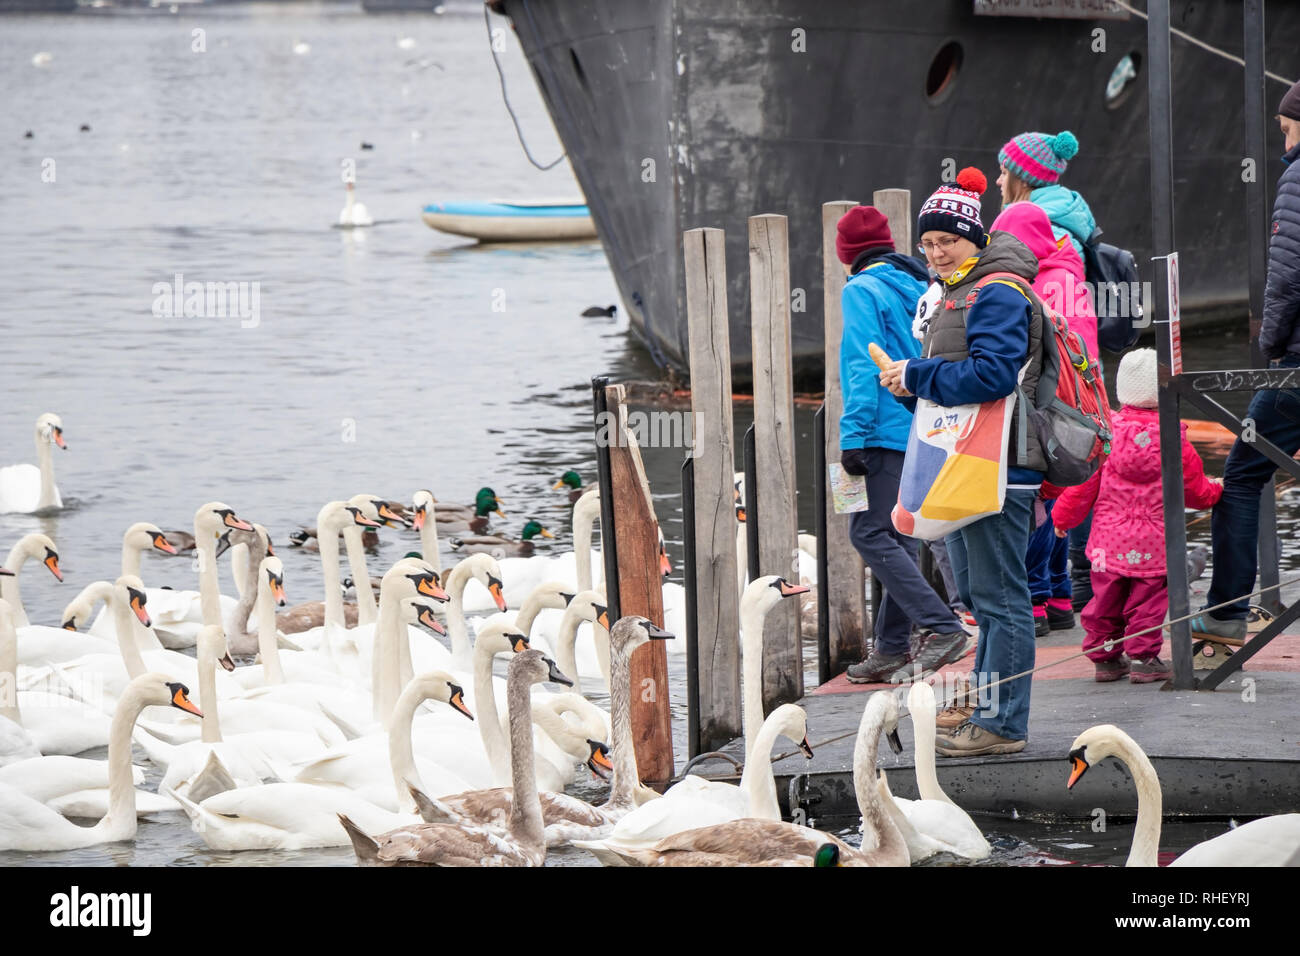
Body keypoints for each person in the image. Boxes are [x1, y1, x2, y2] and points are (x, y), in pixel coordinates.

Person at [879, 167, 1042, 756]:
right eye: (926, 244)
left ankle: (1003, 724)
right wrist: (915, 382)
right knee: (978, 592)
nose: (935, 252)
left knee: (1001, 595)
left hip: (1003, 466)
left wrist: (917, 375)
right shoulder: (964, 286)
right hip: (975, 461)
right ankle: (985, 699)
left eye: (946, 240)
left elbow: (994, 374)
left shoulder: (994, 290)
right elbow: (967, 374)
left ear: (973, 236)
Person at [834, 204, 970, 684]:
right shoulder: (921, 285)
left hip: (879, 429)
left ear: (845, 254)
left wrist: (852, 436)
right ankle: (891, 647)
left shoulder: (860, 289)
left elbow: (861, 364)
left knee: (867, 534)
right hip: (922, 424)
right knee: (901, 535)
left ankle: (943, 626)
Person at [1194, 80, 1300, 641]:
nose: (1284, 143)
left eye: (1287, 129)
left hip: (1297, 367)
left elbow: (1285, 276)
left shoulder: (1297, 176)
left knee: (1241, 475)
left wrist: (1272, 350)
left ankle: (1226, 612)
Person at [1052, 349, 1222, 682]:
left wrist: (1062, 519)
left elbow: (1082, 485)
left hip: (1107, 541)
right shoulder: (1173, 435)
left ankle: (1105, 660)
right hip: (1155, 541)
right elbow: (1195, 489)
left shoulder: (1105, 433)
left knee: (1104, 601)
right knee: (1147, 602)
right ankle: (1144, 659)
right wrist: (1216, 491)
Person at [997, 129, 1101, 611]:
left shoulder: (1042, 258)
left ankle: (1037, 597)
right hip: (1075, 384)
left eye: (1004, 170)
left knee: (1038, 492)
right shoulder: (1069, 245)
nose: (998, 180)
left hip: (1047, 390)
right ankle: (1057, 594)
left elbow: (1042, 331)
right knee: (1061, 486)